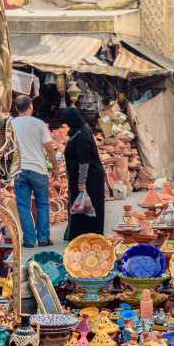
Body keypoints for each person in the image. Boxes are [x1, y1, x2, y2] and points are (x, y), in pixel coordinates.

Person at [10, 94, 58, 248]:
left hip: (19, 171)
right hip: (38, 169)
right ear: (31, 106)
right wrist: (55, 167)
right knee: (42, 204)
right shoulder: (39, 124)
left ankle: (29, 240)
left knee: (23, 205)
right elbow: (49, 149)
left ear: (16, 108)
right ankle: (44, 239)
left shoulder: (9, 124)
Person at [63, 107, 105, 238]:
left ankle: (87, 235)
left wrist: (81, 183)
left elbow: (84, 160)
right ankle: (80, 234)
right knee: (81, 206)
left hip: (89, 178)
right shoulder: (79, 131)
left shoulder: (81, 135)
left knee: (87, 206)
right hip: (83, 176)